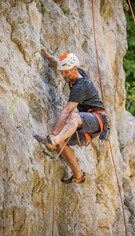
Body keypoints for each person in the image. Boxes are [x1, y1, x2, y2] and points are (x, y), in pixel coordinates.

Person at [33, 45, 109, 184]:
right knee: (63, 141)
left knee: (74, 117)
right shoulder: (75, 71)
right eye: (62, 72)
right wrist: (47, 55)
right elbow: (59, 64)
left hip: (98, 119)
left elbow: (67, 111)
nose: (63, 75)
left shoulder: (80, 86)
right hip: (88, 123)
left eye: (66, 72)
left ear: (74, 69)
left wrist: (53, 135)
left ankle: (54, 141)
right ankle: (78, 175)